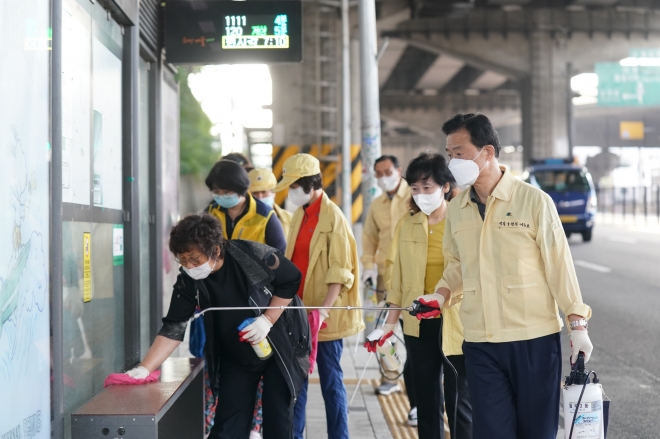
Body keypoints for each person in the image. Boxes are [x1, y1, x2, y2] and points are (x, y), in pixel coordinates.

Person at [425, 113, 593, 439]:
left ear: (487, 152)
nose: (452, 161)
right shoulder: (457, 209)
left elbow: (559, 265)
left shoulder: (533, 202)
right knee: (491, 432)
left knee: (536, 432)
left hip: (533, 339)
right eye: (449, 154)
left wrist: (577, 324)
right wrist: (441, 293)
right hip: (480, 341)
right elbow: (456, 263)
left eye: (459, 152)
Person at [124, 214, 309, 439]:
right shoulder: (188, 280)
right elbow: (174, 325)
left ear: (216, 250)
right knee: (227, 426)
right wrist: (144, 368)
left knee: (278, 421)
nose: (189, 266)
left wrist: (267, 320)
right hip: (236, 352)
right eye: (182, 260)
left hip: (280, 346)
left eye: (194, 259)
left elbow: (292, 279)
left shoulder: (254, 256)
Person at [374, 152, 472, 439]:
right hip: (418, 322)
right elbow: (399, 281)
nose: (420, 195)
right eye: (415, 189)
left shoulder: (462, 221)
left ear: (445, 186)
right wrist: (389, 325)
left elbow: (469, 273)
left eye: (427, 188)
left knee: (459, 400)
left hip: (456, 322)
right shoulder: (408, 224)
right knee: (425, 398)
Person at [273, 153, 364, 439]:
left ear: (310, 183)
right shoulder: (300, 214)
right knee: (295, 383)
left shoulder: (333, 217)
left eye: (294, 186)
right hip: (297, 313)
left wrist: (323, 310)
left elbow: (341, 270)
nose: (291, 192)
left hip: (323, 316)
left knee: (330, 380)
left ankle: (340, 436)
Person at [361, 155, 416, 412]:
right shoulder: (377, 205)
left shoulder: (415, 196)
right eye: (379, 173)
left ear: (399, 170)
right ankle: (390, 378)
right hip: (385, 277)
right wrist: (369, 266)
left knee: (413, 334)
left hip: (412, 276)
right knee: (384, 332)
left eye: (388, 171)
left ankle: (418, 390)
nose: (384, 177)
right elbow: (369, 237)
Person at [205, 160, 286, 253]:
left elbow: (280, 254)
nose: (221, 196)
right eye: (216, 192)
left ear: (241, 188)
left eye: (227, 192)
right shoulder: (210, 213)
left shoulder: (265, 216)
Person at [249, 168, 293, 240]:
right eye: (255, 193)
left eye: (264, 192)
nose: (260, 197)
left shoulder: (291, 219)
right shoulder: (241, 221)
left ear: (274, 192)